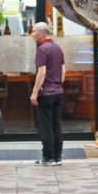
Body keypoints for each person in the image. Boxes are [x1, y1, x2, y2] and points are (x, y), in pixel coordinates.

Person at [30, 21, 65, 165]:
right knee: (56, 125)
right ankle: (57, 157)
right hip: (58, 92)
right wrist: (58, 84)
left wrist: (34, 92)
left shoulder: (42, 49)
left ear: (42, 33)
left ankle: (48, 157)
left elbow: (42, 72)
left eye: (34, 31)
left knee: (46, 126)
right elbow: (63, 70)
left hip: (46, 94)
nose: (32, 34)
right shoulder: (57, 48)